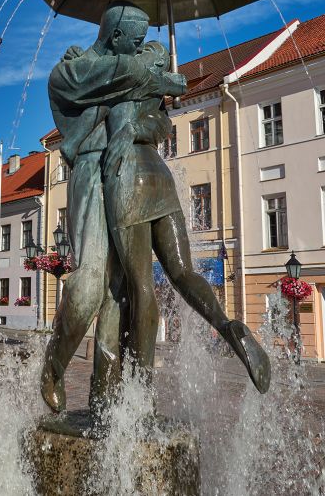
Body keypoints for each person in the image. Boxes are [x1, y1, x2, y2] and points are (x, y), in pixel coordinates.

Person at [41, 2, 187, 413]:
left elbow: (159, 123)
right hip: (91, 170)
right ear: (115, 36)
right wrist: (157, 77)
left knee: (118, 291)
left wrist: (155, 103)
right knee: (89, 287)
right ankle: (53, 366)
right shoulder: (73, 68)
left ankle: (105, 395)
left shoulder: (131, 68)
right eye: (135, 40)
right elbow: (89, 81)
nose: (142, 46)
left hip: (128, 178)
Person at [101, 39, 270, 392]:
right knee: (182, 271)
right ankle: (228, 327)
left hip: (130, 180)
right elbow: (168, 106)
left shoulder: (127, 76)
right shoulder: (158, 107)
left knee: (140, 285)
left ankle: (139, 389)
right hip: (161, 179)